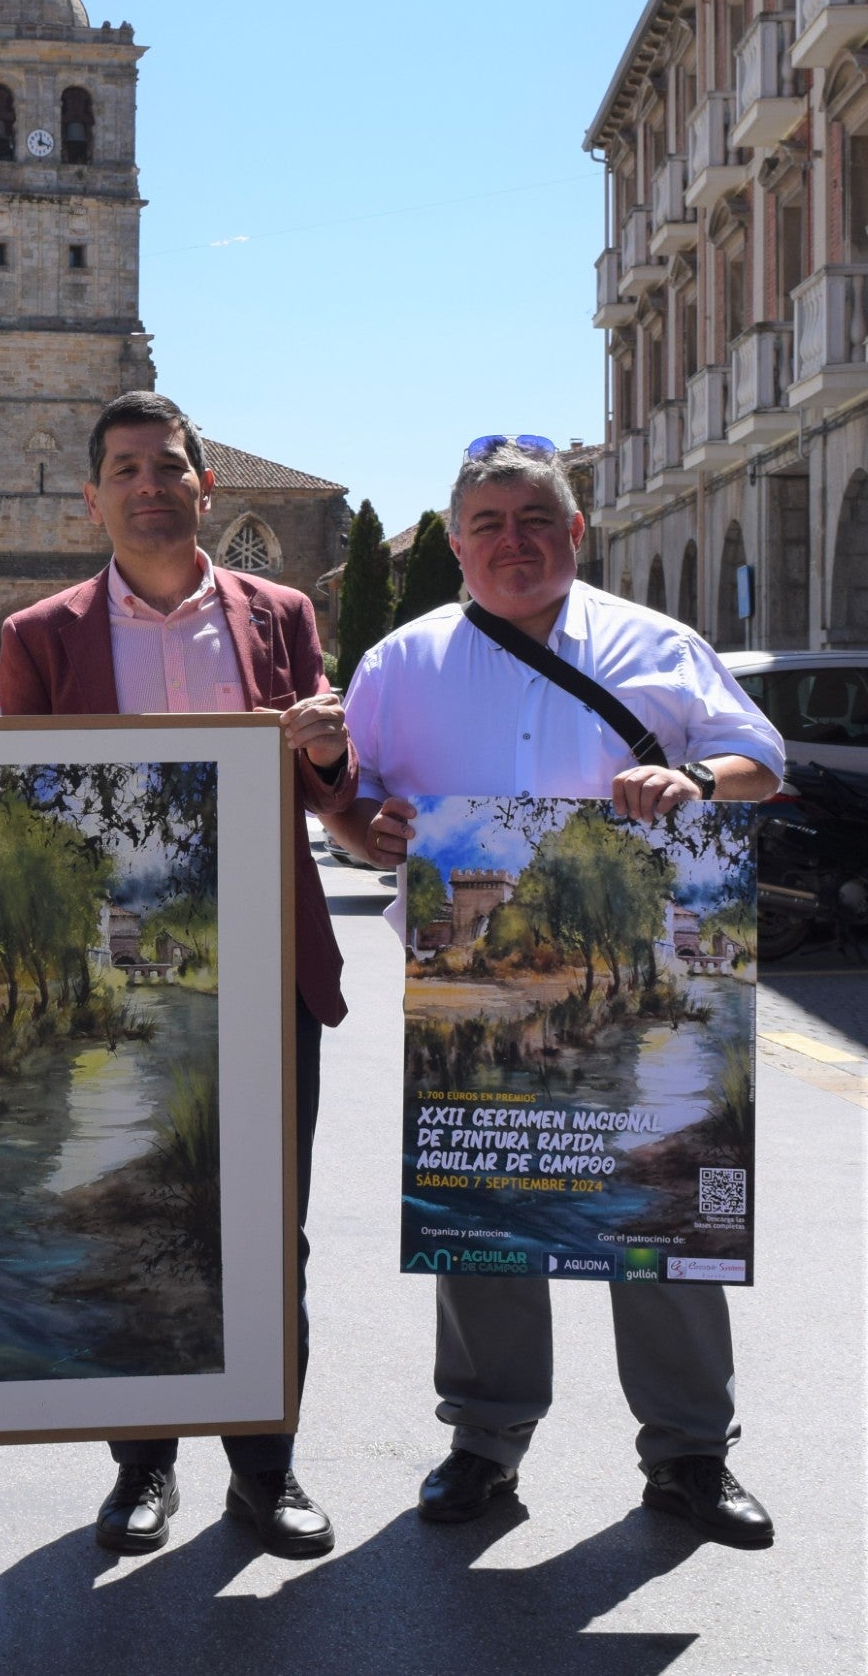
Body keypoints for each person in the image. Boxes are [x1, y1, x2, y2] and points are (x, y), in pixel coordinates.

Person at [323, 435, 784, 1547]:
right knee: (484, 1225)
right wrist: (366, 824)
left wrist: (690, 777)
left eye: (536, 520)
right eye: (487, 525)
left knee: (659, 1215)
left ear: (575, 533)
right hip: (469, 996)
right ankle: (483, 1445)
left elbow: (761, 757)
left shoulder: (654, 643)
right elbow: (358, 808)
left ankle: (689, 1456)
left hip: (647, 984)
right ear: (457, 541)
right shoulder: (400, 663)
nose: (513, 543)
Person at [0, 390, 357, 1561]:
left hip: (266, 969)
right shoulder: (39, 636)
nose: (149, 485)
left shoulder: (283, 614)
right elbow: (24, 814)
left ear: (204, 485)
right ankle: (142, 1468)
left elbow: (336, 802)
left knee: (271, 1232)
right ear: (91, 495)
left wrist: (328, 749)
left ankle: (267, 1471)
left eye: (168, 466)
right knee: (135, 1209)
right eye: (125, 469)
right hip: (117, 980)